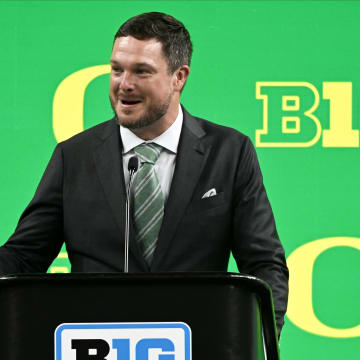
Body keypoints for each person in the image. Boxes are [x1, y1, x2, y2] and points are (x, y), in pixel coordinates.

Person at [0, 12, 288, 335]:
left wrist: (260, 344)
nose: (124, 84)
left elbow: (265, 265)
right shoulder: (73, 157)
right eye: (116, 69)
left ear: (179, 77)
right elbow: (22, 259)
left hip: (200, 345)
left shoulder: (230, 153)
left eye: (141, 72)